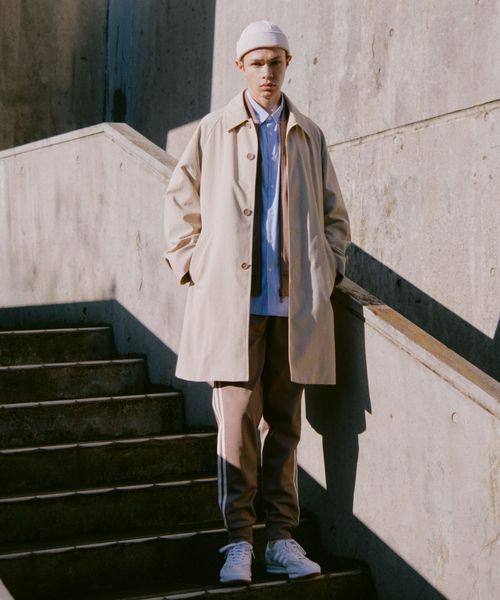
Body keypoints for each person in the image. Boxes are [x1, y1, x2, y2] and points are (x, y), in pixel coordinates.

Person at [164, 20, 350, 585]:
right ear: (240, 67)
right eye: (257, 63)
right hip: (233, 306)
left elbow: (335, 215)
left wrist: (329, 265)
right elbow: (180, 201)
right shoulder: (213, 129)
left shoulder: (309, 134)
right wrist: (191, 262)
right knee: (237, 427)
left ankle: (282, 539)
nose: (267, 73)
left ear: (288, 64)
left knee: (286, 428)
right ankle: (239, 542)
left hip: (294, 307)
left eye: (276, 62)